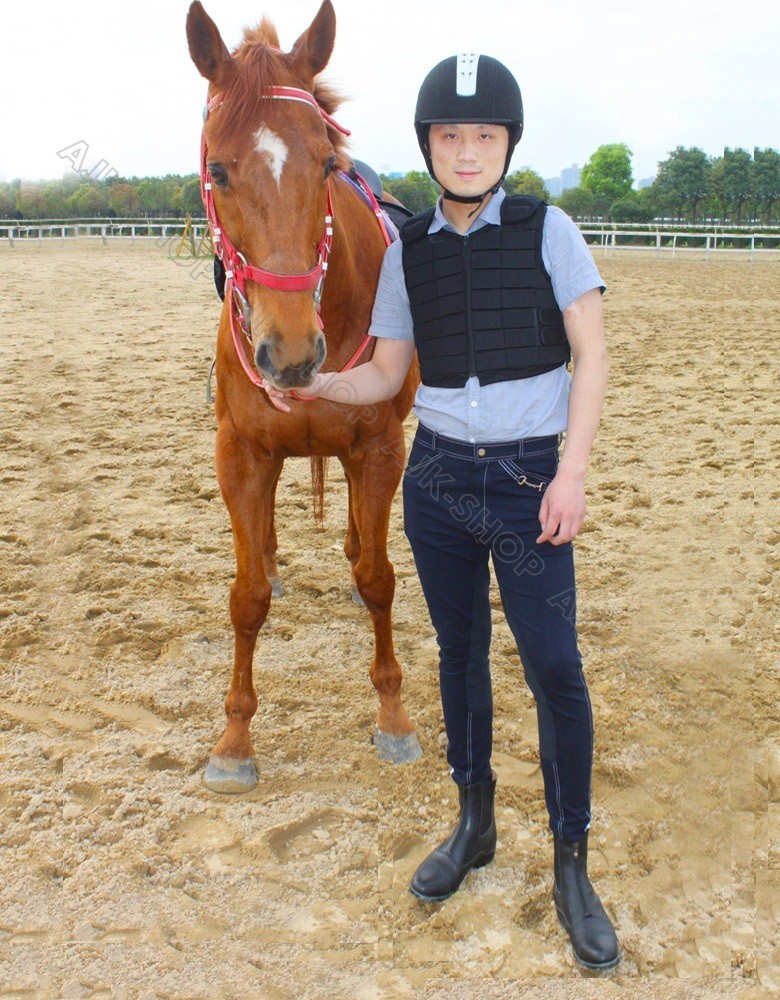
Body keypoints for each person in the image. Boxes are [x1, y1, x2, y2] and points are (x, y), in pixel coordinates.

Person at [264, 53, 620, 971]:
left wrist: (571, 474)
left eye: (485, 136)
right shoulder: (408, 248)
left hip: (533, 478)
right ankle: (474, 823)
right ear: (429, 145)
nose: (467, 151)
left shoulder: (552, 231)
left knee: (553, 665)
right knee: (457, 656)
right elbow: (388, 369)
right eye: (451, 136)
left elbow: (593, 355)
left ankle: (573, 864)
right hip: (441, 481)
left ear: (507, 144)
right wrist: (320, 387)